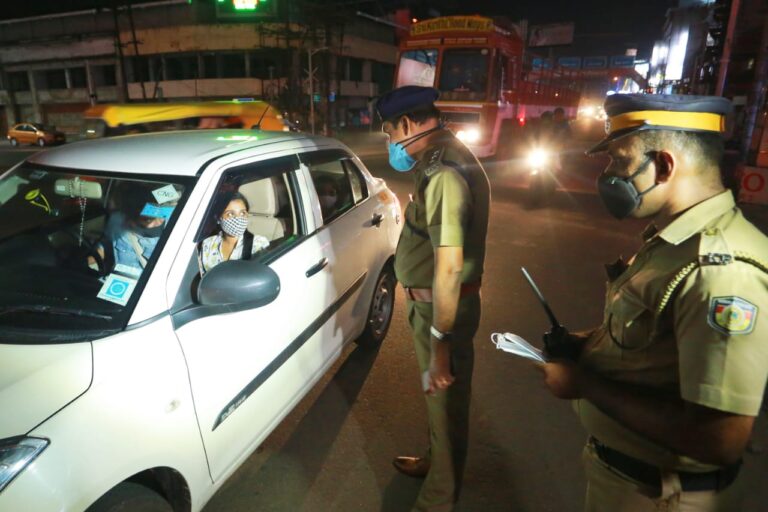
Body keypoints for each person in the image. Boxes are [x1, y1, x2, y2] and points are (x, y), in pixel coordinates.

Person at [536, 94, 768, 511]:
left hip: (661, 497)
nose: (607, 175)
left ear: (663, 166)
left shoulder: (720, 270)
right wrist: (585, 344)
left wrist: (583, 384)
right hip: (630, 479)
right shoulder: (671, 241)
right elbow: (653, 342)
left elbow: (722, 438)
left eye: (619, 162)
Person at [376, 85, 491, 512]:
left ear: (406, 124)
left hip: (441, 311)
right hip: (433, 305)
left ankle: (437, 500)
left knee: (445, 401)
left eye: (389, 134)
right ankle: (435, 462)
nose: (391, 144)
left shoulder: (442, 172)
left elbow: (449, 265)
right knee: (436, 397)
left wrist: (441, 340)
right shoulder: (440, 160)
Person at [198, 191, 269, 274]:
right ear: (218, 218)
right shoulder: (208, 244)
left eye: (242, 213)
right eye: (230, 214)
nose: (238, 219)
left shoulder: (258, 244)